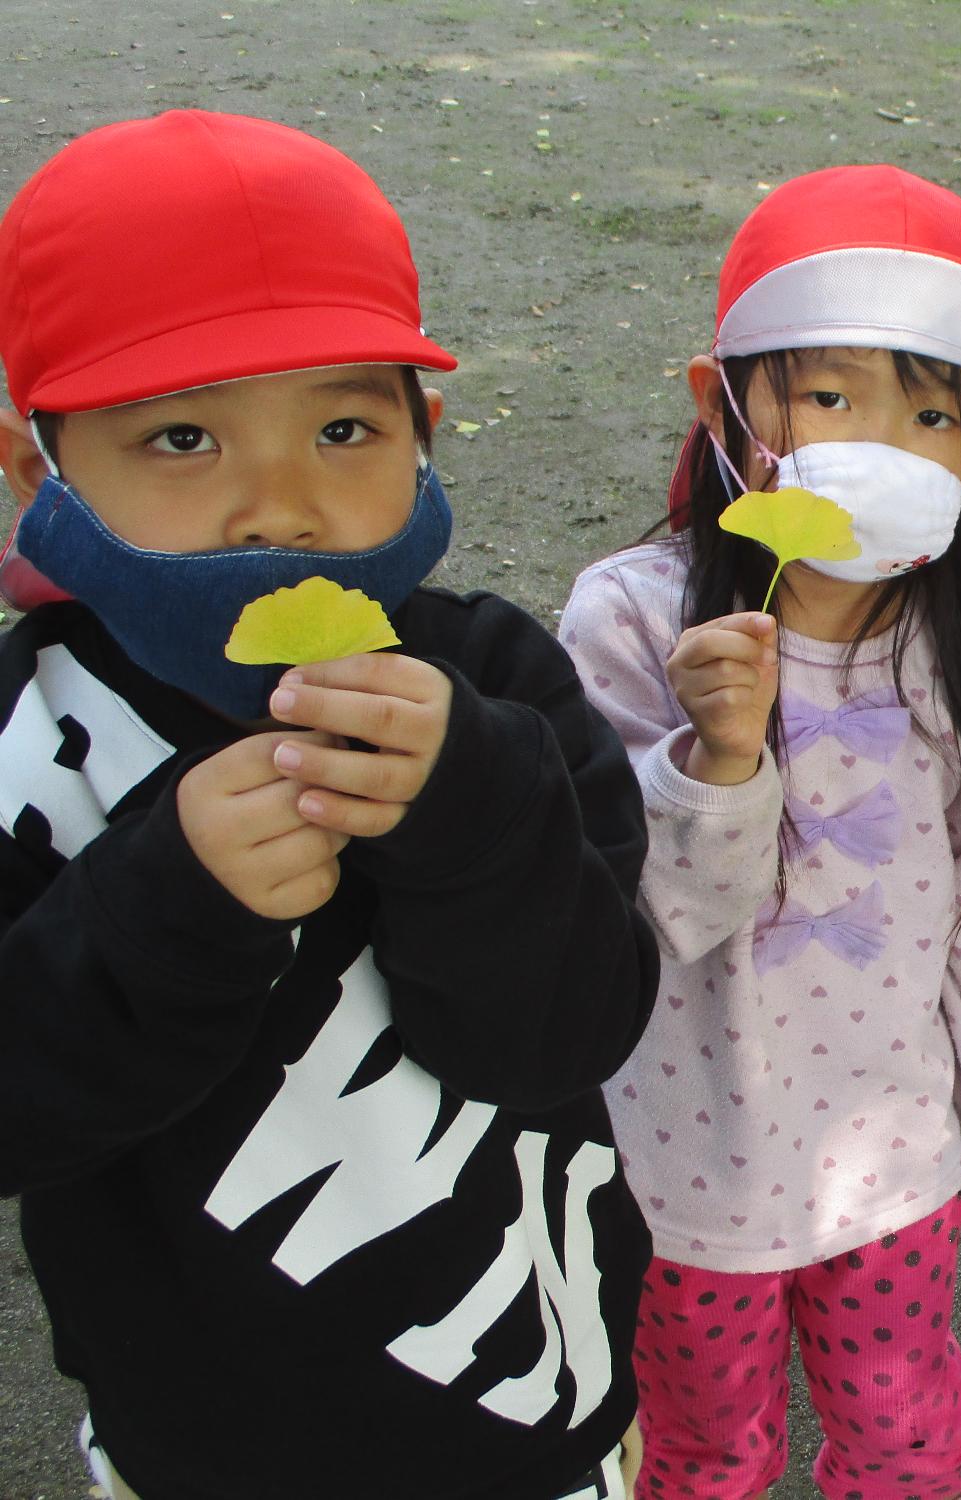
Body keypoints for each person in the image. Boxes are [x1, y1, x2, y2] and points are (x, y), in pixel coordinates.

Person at [0, 111, 659, 1499]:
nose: (280, 509)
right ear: (30, 468)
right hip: (197, 1451)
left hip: (532, 1413)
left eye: (344, 426)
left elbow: (578, 1026)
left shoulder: (489, 680)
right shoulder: (26, 749)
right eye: (182, 436)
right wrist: (164, 903)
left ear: (425, 435)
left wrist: (473, 811)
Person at [560, 163, 961, 1500]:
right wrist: (721, 758)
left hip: (888, 1157)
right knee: (709, 1453)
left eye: (933, 409)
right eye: (828, 394)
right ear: (716, 403)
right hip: (685, 1159)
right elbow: (642, 913)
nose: (882, 442)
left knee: (904, 1436)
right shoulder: (627, 624)